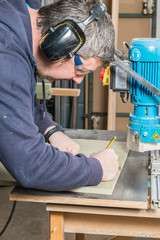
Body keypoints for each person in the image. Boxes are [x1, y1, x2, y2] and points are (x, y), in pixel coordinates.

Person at [0, 0, 118, 191]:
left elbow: (18, 95)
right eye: (80, 70)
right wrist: (97, 169)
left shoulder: (28, 15)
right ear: (58, 45)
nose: (78, 80)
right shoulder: (5, 55)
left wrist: (49, 129)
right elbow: (31, 166)